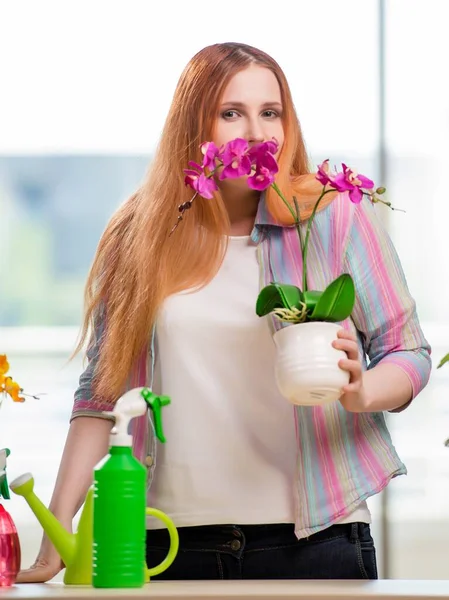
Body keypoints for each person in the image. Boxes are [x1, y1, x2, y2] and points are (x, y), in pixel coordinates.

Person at [18, 42, 431, 582]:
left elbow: (408, 351)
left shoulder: (336, 220)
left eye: (271, 112)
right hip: (168, 545)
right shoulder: (139, 236)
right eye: (231, 113)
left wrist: (364, 391)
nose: (257, 133)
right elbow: (100, 396)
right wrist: (57, 540)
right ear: (194, 127)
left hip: (319, 543)